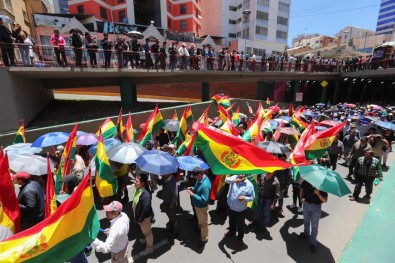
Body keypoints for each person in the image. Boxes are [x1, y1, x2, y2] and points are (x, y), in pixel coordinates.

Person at [224, 174, 255, 245]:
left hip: (240, 210)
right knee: (231, 221)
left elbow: (252, 197)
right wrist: (233, 180)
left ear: (246, 175)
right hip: (231, 206)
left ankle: (239, 238)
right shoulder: (235, 177)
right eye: (239, 173)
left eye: (243, 174)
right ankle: (232, 231)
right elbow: (226, 180)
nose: (240, 175)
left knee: (240, 225)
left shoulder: (249, 185)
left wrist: (245, 198)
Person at [299, 180, 328, 253]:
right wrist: (301, 198)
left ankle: (313, 243)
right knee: (306, 221)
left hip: (316, 207)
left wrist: (318, 194)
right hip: (306, 205)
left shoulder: (322, 186)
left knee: (314, 226)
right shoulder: (306, 182)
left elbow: (325, 200)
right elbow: (301, 189)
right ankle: (306, 233)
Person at [187, 167, 211, 247]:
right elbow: (198, 188)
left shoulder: (205, 186)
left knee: (204, 223)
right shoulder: (200, 179)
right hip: (197, 205)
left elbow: (204, 200)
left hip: (201, 207)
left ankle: (204, 238)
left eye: (195, 176)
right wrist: (193, 188)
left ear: (200, 174)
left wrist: (193, 194)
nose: (194, 177)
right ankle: (199, 228)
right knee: (200, 220)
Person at [133, 172, 154, 256]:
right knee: (145, 231)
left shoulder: (145, 195)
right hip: (140, 217)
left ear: (142, 183)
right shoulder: (139, 189)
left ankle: (149, 248)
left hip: (144, 219)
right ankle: (146, 239)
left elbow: (146, 209)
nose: (135, 182)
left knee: (148, 233)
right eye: (135, 180)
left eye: (137, 181)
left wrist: (140, 219)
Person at [156, 173, 179, 239]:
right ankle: (171, 227)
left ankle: (176, 232)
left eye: (165, 172)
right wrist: (156, 178)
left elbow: (175, 195)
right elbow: (160, 183)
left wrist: (171, 205)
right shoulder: (164, 177)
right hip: (166, 201)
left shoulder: (173, 181)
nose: (163, 173)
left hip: (171, 204)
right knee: (169, 215)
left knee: (173, 218)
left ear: (169, 173)